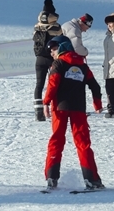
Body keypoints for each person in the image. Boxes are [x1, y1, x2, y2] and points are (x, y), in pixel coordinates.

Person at [42, 36, 104, 190]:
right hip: (78, 109)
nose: (52, 53)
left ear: (63, 47)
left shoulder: (58, 63)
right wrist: (97, 104)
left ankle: (51, 177)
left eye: (54, 49)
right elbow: (95, 86)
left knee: (56, 141)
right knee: (83, 144)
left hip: (60, 108)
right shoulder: (83, 66)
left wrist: (46, 102)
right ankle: (92, 180)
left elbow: (53, 84)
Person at [32, 0, 62, 121]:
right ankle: (55, 109)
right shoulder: (56, 28)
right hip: (52, 59)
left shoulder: (37, 27)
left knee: (39, 84)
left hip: (39, 58)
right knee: (54, 84)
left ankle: (38, 113)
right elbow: (61, 42)